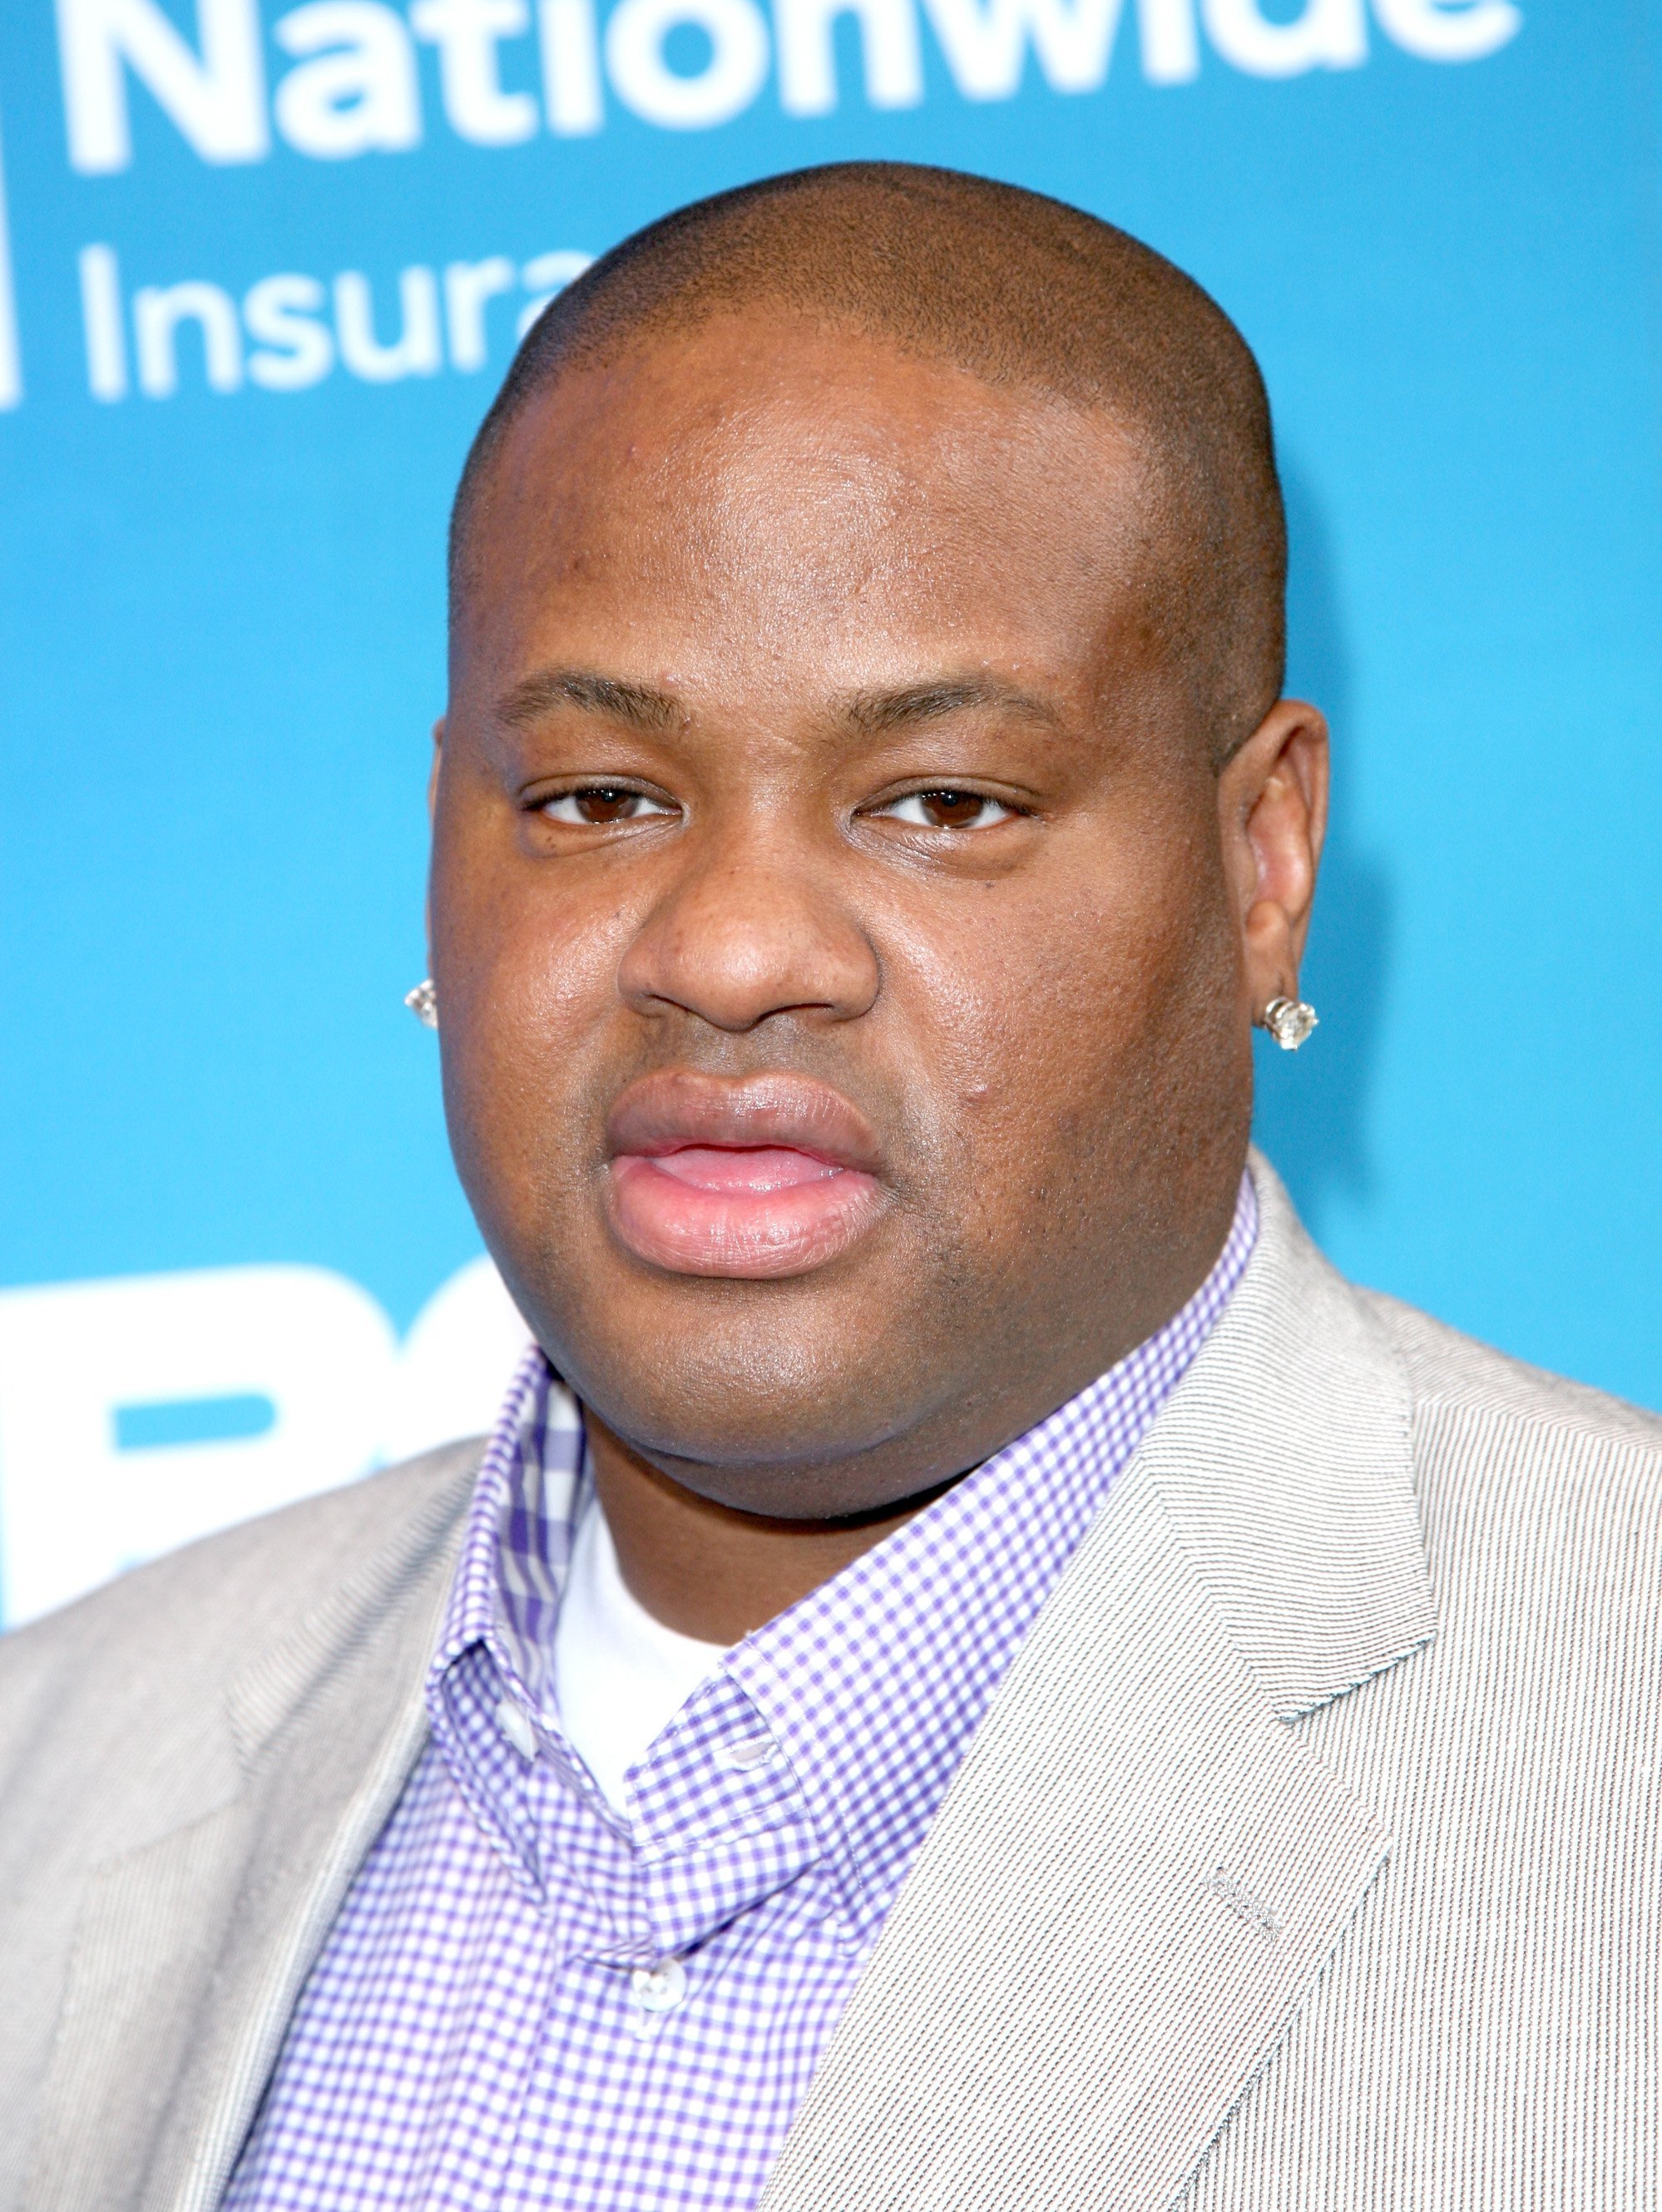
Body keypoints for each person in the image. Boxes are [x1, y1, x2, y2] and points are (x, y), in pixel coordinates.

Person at [2, 162, 1657, 2212]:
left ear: (1263, 869)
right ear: (442, 839)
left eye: (942, 803)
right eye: (599, 799)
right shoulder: (54, 1771)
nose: (730, 945)